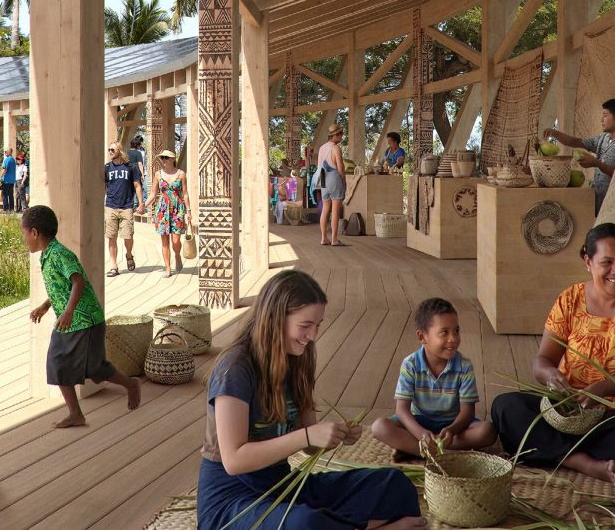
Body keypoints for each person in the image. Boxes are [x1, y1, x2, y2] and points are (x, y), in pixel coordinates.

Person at [197, 269, 425, 529]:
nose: (313, 335)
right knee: (305, 523)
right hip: (232, 500)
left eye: (318, 325)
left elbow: (309, 446)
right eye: (305, 326)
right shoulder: (235, 368)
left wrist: (332, 436)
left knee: (394, 485)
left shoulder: (298, 359)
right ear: (274, 319)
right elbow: (234, 460)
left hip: (282, 486)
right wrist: (307, 436)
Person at [491, 223, 615, 487]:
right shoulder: (570, 299)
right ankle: (582, 462)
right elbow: (542, 361)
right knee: (506, 408)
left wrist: (602, 389)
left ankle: (557, 451)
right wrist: (550, 376)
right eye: (607, 262)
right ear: (588, 261)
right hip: (570, 412)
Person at [23, 205, 141, 428]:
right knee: (66, 365)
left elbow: (78, 282)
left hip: (84, 320)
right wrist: (46, 305)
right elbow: (62, 287)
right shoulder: (47, 255)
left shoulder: (59, 254)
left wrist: (68, 311)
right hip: (73, 321)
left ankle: (129, 385)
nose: (24, 238)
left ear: (35, 233)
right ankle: (76, 413)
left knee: (88, 367)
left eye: (24, 233)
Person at [372, 298, 497, 461]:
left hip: (452, 426)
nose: (453, 338)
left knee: (487, 431)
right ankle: (444, 454)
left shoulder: (464, 366)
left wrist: (451, 430)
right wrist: (421, 434)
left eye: (456, 331)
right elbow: (402, 410)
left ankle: (415, 449)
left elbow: (467, 412)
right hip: (419, 422)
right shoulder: (410, 364)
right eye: (444, 332)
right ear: (422, 336)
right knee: (379, 427)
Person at [543, 97, 615, 214]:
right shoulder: (603, 138)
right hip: (598, 202)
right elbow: (577, 142)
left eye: (605, 115)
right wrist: (555, 133)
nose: (601, 120)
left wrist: (597, 163)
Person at [145, 149, 192, 278]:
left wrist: (188, 211)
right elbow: (153, 194)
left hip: (177, 209)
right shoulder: (158, 174)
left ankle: (177, 255)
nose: (164, 160)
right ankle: (168, 268)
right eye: (162, 158)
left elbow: (185, 193)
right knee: (165, 241)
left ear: (173, 159)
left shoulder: (181, 174)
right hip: (162, 209)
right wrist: (143, 205)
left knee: (176, 241)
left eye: (166, 157)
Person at [104, 141, 145, 276]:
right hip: (111, 206)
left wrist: (141, 203)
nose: (110, 152)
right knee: (111, 237)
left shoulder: (130, 167)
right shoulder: (107, 168)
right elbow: (103, 186)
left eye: (112, 150)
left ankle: (128, 254)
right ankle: (113, 265)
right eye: (109, 150)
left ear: (119, 151)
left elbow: (137, 186)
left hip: (127, 206)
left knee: (128, 236)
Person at [315, 124, 347, 247]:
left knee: (325, 209)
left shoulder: (322, 148)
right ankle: (334, 239)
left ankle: (323, 238)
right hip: (334, 178)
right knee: (335, 211)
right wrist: (344, 181)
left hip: (323, 178)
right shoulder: (336, 148)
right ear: (337, 135)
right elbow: (340, 167)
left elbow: (319, 166)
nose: (342, 137)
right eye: (341, 135)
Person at [129, 135, 147, 206]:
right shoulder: (138, 153)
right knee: (138, 187)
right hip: (137, 171)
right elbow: (140, 164)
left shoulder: (127, 152)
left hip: (129, 171)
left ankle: (134, 204)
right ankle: (140, 204)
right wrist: (142, 174)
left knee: (133, 188)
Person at [0, 147, 17, 212]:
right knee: (10, 195)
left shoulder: (7, 159)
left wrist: (1, 176)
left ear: (9, 152)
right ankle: (11, 208)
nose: (5, 153)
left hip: (6, 180)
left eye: (6, 152)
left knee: (4, 194)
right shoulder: (13, 160)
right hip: (12, 180)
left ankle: (5, 208)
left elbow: (5, 169)